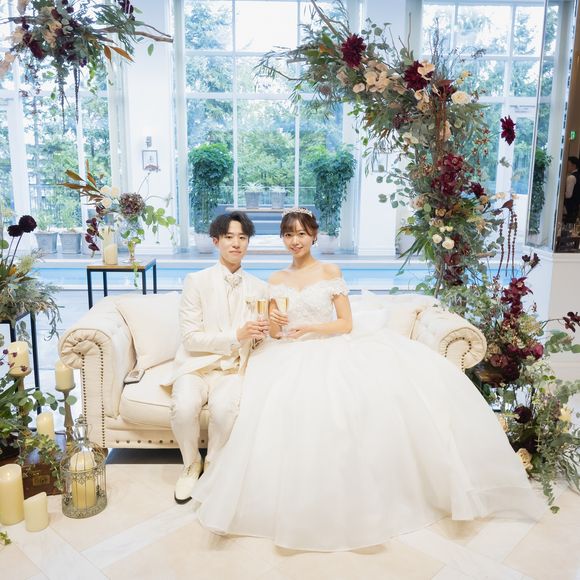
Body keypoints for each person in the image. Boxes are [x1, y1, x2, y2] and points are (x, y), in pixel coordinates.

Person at [191, 208, 544, 551]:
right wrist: (276, 323)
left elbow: (345, 324)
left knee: (344, 404)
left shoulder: (329, 271)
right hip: (289, 351)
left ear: (314, 236)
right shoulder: (276, 280)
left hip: (329, 346)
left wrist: (310, 327)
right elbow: (275, 332)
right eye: (288, 234)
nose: (295, 240)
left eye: (301, 233)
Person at [168, 211, 269, 504]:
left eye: (242, 237)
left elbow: (258, 340)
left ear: (248, 242)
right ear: (216, 241)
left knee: (225, 411)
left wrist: (262, 335)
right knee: (184, 407)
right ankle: (191, 464)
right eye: (229, 237)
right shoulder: (196, 281)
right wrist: (237, 336)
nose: (236, 243)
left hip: (233, 368)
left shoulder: (260, 287)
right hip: (196, 366)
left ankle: (213, 465)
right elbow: (191, 338)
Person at [564, 155, 580, 225]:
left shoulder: (571, 177)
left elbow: (568, 195)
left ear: (574, 166)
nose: (567, 166)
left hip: (569, 207)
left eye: (568, 165)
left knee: (567, 225)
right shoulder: (578, 176)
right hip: (576, 206)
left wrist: (560, 194)